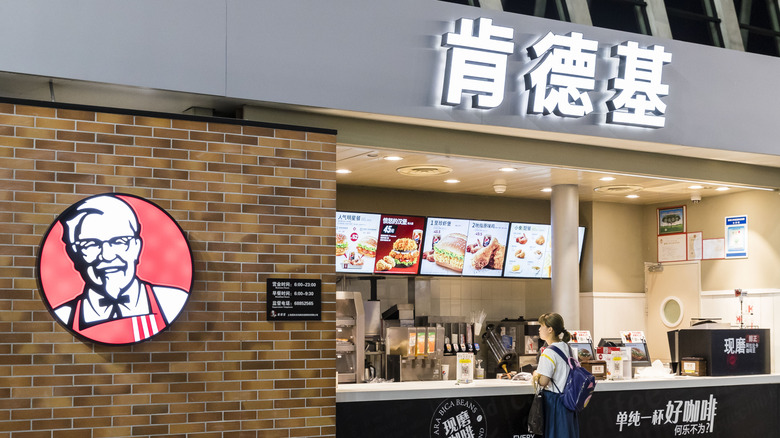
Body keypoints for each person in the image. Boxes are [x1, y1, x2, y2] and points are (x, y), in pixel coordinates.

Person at [53, 195, 188, 343]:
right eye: (91, 244)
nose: (107, 255)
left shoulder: (171, 302)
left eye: (119, 242)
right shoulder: (65, 315)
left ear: (137, 247)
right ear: (73, 254)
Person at [532, 312, 579, 438]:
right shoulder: (567, 347)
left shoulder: (548, 352)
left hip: (555, 402)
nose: (539, 329)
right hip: (569, 400)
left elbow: (543, 381)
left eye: (541, 326)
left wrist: (536, 374)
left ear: (550, 329)